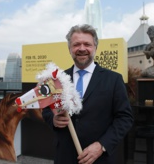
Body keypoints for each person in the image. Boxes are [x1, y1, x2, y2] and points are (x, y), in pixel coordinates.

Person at [42, 24, 133, 164]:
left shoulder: (114, 79)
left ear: (95, 47)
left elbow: (125, 118)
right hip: (64, 157)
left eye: (87, 44)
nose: (82, 48)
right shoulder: (57, 80)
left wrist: (101, 145)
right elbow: (47, 110)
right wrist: (53, 120)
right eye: (76, 44)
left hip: (100, 158)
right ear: (69, 49)